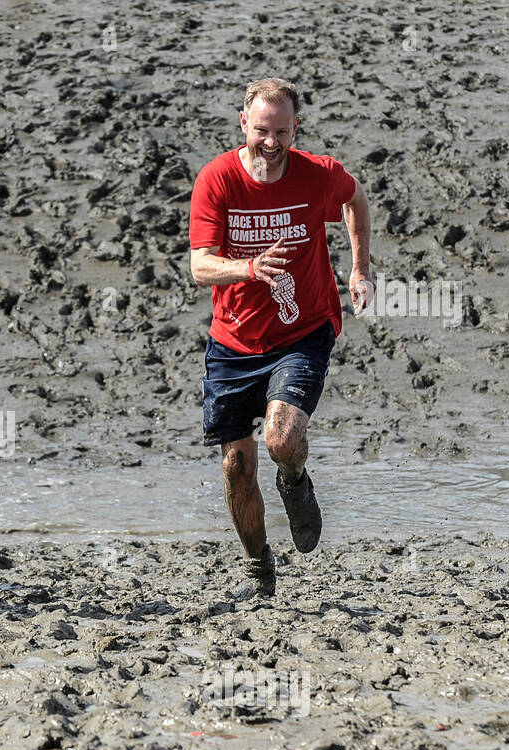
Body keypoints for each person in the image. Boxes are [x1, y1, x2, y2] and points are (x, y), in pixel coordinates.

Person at [189, 77, 372, 599]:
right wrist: (248, 268)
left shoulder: (318, 175)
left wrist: (360, 268)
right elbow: (200, 267)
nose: (271, 142)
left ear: (297, 129)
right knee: (236, 464)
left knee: (281, 439)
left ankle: (294, 479)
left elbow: (355, 200)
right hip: (233, 341)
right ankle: (258, 567)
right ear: (243, 123)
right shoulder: (217, 179)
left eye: (283, 132)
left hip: (303, 331)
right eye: (262, 130)